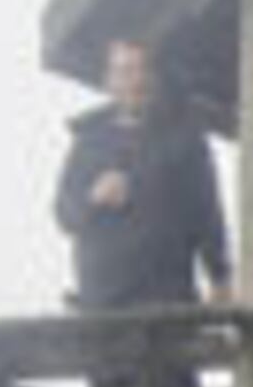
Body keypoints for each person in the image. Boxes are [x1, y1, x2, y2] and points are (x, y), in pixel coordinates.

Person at [53, 37, 226, 310]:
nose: (136, 80)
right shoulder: (88, 141)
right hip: (103, 306)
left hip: (169, 301)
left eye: (143, 69)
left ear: (155, 77)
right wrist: (93, 197)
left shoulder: (186, 138)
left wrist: (221, 277)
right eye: (124, 71)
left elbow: (207, 214)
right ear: (108, 81)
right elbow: (64, 215)